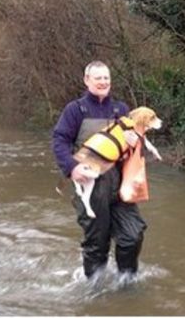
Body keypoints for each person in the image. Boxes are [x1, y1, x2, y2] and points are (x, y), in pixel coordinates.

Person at [52, 60, 147, 279]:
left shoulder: (121, 109)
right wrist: (72, 168)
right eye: (98, 78)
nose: (103, 82)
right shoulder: (75, 110)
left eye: (106, 78)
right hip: (90, 186)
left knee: (133, 235)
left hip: (121, 184)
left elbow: (133, 148)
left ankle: (126, 282)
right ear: (87, 81)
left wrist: (134, 142)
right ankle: (94, 289)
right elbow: (60, 140)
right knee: (97, 242)